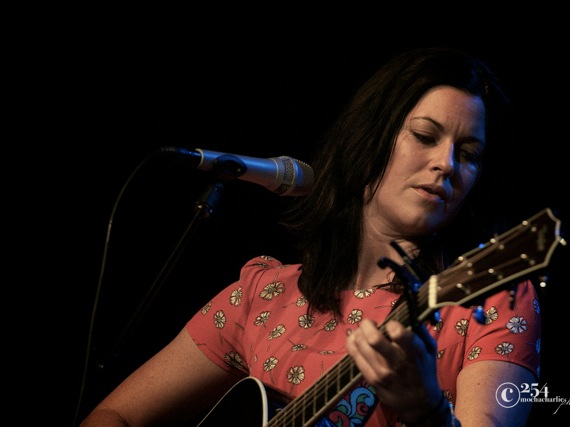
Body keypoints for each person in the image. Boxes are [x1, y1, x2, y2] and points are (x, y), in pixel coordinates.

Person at [80, 47, 541, 427]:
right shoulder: (264, 295)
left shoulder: (492, 298)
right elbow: (114, 415)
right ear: (369, 139)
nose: (447, 163)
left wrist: (428, 412)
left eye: (469, 154)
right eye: (425, 135)